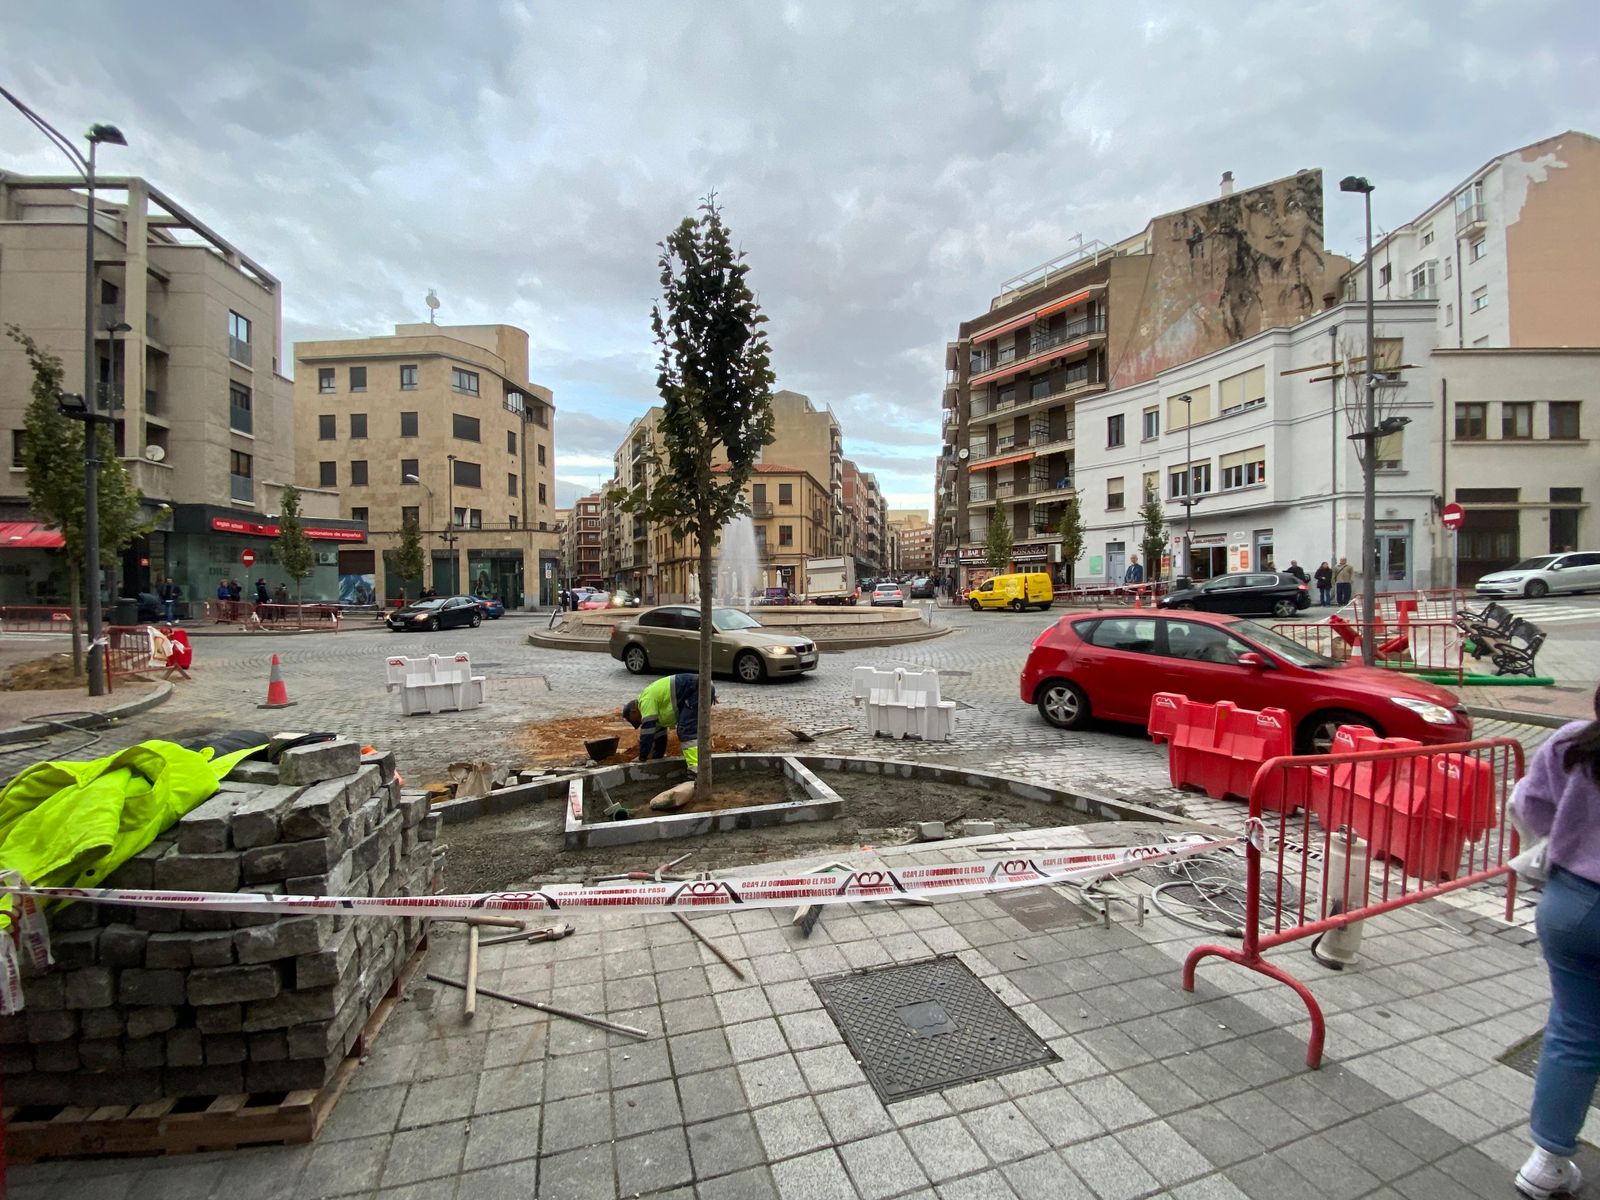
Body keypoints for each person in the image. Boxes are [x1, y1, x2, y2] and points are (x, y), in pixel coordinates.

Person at [1510, 683, 1600, 1199]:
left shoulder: (1573, 743)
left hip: (1571, 905)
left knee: (1573, 1031)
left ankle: (1547, 1160)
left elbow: (1529, 805)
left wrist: (1567, 839)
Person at [622, 673, 716, 775]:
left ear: (633, 711)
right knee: (689, 729)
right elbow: (660, 737)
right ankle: (701, 768)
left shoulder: (645, 701)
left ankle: (696, 771)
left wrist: (642, 757)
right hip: (700, 686)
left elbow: (647, 732)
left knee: (686, 730)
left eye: (635, 721)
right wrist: (657, 756)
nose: (640, 723)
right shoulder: (655, 710)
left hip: (697, 687)